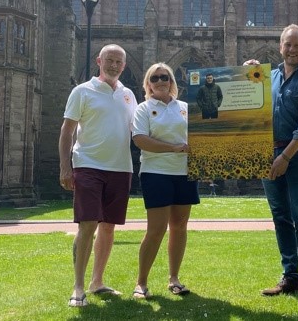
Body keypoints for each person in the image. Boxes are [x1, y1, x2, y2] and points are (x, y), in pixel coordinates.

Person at [245, 24, 298, 308]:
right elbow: (248, 103)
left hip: (296, 156)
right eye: (287, 44)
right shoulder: (271, 77)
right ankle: (290, 277)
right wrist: (246, 73)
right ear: (280, 46)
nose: (292, 49)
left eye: (297, 45)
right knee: (280, 217)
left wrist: (285, 157)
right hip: (268, 153)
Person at [59, 44, 137, 307]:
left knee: (108, 227)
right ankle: (78, 286)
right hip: (88, 165)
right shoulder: (82, 91)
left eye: (118, 62)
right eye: (109, 60)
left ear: (124, 66)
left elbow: (139, 130)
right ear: (99, 61)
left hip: (120, 167)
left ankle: (97, 282)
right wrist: (65, 166)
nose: (114, 65)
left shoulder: (128, 95)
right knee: (88, 224)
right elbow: (67, 131)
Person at [132, 63, 200, 299]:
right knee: (156, 229)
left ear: (172, 81)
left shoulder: (185, 108)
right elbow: (140, 140)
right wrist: (173, 148)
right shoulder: (143, 108)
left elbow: (200, 136)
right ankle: (141, 282)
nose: (161, 81)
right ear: (148, 83)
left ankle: (174, 279)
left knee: (180, 227)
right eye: (155, 78)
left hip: (184, 173)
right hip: (156, 172)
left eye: (165, 77)